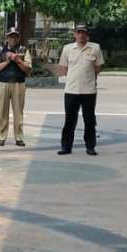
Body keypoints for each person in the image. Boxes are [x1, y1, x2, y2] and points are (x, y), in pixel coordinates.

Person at [55, 24, 104, 156]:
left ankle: (90, 146)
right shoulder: (68, 49)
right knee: (69, 120)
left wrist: (89, 77)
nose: (81, 35)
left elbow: (98, 66)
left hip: (89, 91)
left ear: (87, 35)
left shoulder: (95, 48)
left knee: (89, 120)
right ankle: (66, 147)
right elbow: (63, 68)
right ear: (74, 34)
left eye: (84, 33)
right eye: (79, 32)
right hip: (71, 90)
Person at [0, 28, 32, 147]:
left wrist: (18, 60)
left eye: (15, 36)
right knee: (1, 111)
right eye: (10, 36)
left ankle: (19, 137)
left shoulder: (23, 50)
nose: (13, 39)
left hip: (19, 84)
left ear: (18, 38)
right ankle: (1, 136)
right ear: (7, 38)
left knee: (18, 112)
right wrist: (7, 61)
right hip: (3, 83)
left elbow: (28, 69)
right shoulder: (0, 50)